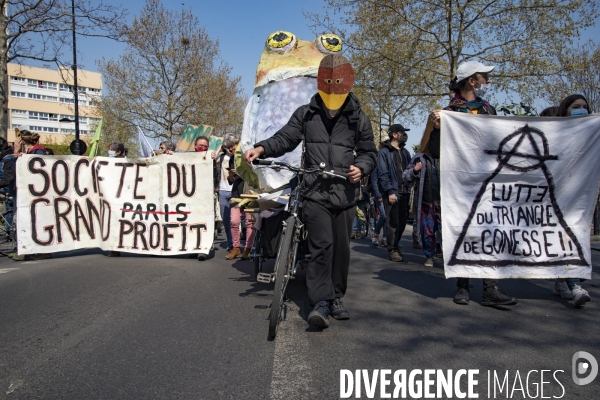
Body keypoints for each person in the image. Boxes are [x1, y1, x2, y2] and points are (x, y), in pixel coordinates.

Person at [245, 54, 377, 328]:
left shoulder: (359, 118)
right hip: (314, 191)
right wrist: (261, 147)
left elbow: (369, 152)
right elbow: (285, 137)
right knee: (321, 246)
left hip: (345, 193)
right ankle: (319, 303)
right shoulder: (306, 114)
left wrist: (361, 167)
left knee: (342, 250)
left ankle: (336, 297)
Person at [425, 60, 517, 306]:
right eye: (484, 77)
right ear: (472, 81)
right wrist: (437, 131)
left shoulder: (489, 111)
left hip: (487, 183)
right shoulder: (448, 113)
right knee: (463, 232)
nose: (488, 81)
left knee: (490, 232)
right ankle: (462, 285)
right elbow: (434, 153)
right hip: (460, 185)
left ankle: (490, 288)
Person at [551, 94, 592, 307]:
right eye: (576, 107)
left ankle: (564, 281)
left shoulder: (592, 134)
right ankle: (574, 285)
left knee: (573, 236)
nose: (581, 110)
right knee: (564, 237)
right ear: (565, 110)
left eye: (585, 107)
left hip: (581, 194)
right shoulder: (554, 132)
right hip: (557, 194)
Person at [376, 124, 412, 262]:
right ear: (394, 134)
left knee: (402, 222)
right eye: (402, 132)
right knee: (393, 222)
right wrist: (390, 191)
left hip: (405, 192)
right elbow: (383, 173)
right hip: (392, 192)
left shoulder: (405, 152)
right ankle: (392, 249)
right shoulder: (384, 152)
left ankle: (396, 244)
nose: (404, 134)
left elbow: (409, 170)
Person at [225, 152, 255, 260]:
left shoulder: (251, 154)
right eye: (230, 148)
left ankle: (248, 248)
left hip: (250, 193)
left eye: (233, 147)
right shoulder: (233, 158)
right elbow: (231, 181)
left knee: (249, 222)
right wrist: (231, 175)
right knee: (234, 221)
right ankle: (236, 248)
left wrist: (241, 172)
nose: (231, 150)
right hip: (236, 194)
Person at [194, 135, 219, 261]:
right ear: (195, 146)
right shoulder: (188, 158)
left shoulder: (210, 159)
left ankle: (202, 248)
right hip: (190, 197)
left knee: (203, 222)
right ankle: (192, 247)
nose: (202, 148)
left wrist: (214, 162)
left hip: (205, 196)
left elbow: (215, 176)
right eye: (200, 145)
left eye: (205, 146)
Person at [216, 135, 239, 251]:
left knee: (235, 220)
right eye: (228, 146)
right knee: (225, 219)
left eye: (232, 146)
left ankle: (237, 244)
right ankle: (231, 244)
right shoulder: (221, 158)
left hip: (236, 191)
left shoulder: (239, 157)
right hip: (223, 190)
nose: (231, 149)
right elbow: (210, 161)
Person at [107, 141, 127, 257]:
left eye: (112, 150)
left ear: (118, 152)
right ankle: (114, 248)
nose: (109, 152)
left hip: (122, 197)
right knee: (112, 222)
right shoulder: (106, 162)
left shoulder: (126, 163)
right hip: (111, 196)